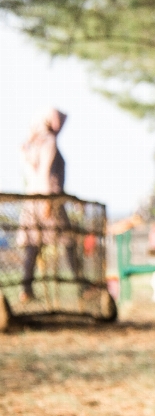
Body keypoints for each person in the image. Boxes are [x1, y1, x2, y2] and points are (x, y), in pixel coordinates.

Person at [17, 108, 77, 302]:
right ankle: (82, 286)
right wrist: (47, 201)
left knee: (32, 246)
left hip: (31, 201)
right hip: (48, 200)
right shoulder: (48, 142)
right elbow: (44, 173)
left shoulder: (32, 144)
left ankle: (26, 289)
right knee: (68, 241)